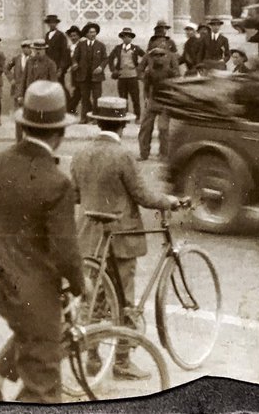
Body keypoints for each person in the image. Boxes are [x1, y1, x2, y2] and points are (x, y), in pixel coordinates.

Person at [0, 80, 83, 403]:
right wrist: (78, 287)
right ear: (60, 134)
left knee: (27, 327)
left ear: (21, 125)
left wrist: (5, 250)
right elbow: (65, 252)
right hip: (28, 291)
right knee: (43, 391)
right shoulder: (57, 182)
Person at [70, 96, 182, 381]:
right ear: (121, 126)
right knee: (124, 298)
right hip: (120, 234)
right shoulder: (123, 155)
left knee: (93, 296)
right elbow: (143, 196)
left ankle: (93, 355)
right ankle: (121, 360)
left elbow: (75, 195)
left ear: (98, 122)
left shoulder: (80, 153)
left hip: (89, 233)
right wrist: (169, 201)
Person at [137, 42, 178, 160]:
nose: (158, 58)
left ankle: (164, 154)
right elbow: (146, 87)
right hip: (153, 101)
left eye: (161, 55)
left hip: (166, 102)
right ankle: (144, 153)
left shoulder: (170, 72)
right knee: (145, 127)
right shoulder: (149, 72)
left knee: (163, 128)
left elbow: (176, 85)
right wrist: (146, 99)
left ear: (165, 57)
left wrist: (172, 99)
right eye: (156, 56)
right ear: (152, 57)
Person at [71, 22, 107, 121]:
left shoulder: (101, 45)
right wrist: (74, 64)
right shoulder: (80, 45)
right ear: (86, 34)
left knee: (97, 98)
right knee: (85, 98)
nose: (93, 34)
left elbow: (105, 59)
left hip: (96, 76)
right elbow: (75, 57)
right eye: (91, 32)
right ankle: (84, 118)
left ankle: (96, 118)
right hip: (83, 76)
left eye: (94, 32)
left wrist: (101, 67)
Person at [107, 27, 144, 121]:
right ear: (122, 38)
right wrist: (113, 70)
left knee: (135, 97)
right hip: (122, 76)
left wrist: (140, 69)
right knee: (123, 98)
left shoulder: (136, 48)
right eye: (125, 36)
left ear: (132, 38)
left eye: (129, 36)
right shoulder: (118, 48)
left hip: (133, 76)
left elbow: (145, 57)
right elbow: (110, 58)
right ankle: (124, 117)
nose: (127, 38)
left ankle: (137, 117)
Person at [42, 14, 71, 80]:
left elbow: (64, 53)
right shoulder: (47, 35)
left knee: (59, 85)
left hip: (57, 65)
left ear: (56, 24)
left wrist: (61, 68)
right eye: (50, 23)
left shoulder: (61, 35)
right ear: (48, 24)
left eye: (53, 23)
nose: (52, 24)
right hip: (48, 66)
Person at [6, 40, 33, 108]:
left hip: (29, 85)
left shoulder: (34, 59)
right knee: (18, 106)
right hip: (18, 85)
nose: (26, 49)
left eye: (28, 47)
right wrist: (11, 79)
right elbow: (6, 68)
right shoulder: (17, 58)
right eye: (24, 47)